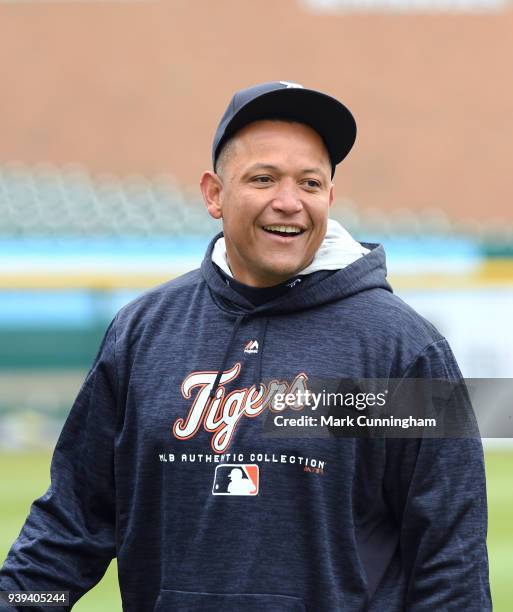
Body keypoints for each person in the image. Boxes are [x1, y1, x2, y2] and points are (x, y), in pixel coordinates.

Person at [0, 81, 491, 611]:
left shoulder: (405, 349)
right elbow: (69, 530)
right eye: (263, 179)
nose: (289, 202)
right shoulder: (141, 333)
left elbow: (451, 557)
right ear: (214, 193)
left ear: (329, 197)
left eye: (310, 182)